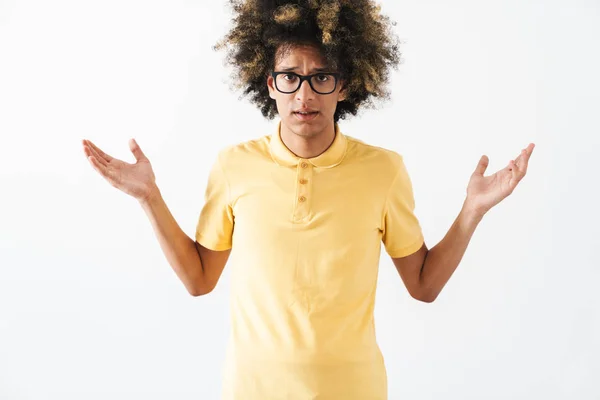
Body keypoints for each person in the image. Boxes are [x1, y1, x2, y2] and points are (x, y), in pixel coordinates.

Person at [82, 0, 535, 398]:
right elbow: (200, 280)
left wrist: (472, 210)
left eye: (321, 77)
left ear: (344, 86)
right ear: (269, 83)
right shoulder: (233, 166)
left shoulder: (383, 170)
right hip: (252, 390)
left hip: (354, 391)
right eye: (290, 77)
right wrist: (149, 197)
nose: (304, 94)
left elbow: (424, 286)